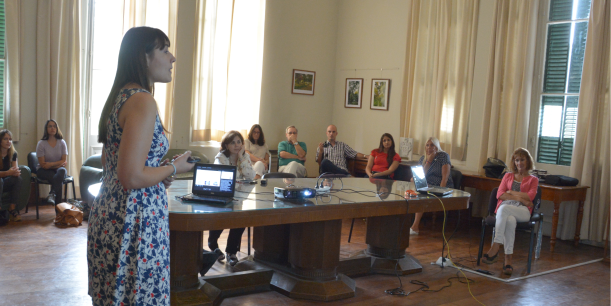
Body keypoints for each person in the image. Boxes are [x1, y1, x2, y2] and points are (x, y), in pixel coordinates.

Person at [87, 27, 194, 306]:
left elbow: (110, 163)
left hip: (111, 214)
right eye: (165, 50)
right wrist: (173, 169)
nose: (172, 58)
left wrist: (156, 174)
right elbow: (131, 176)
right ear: (144, 57)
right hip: (135, 220)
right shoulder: (143, 101)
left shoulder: (120, 96)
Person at [482, 148, 538, 276]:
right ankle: (508, 261)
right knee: (510, 221)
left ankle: (496, 245)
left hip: (523, 211)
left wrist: (511, 192)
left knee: (504, 208)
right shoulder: (507, 176)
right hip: (508, 209)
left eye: (522, 159)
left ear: (527, 161)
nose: (519, 163)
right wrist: (520, 198)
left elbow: (530, 197)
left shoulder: (533, 180)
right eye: (517, 160)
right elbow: (500, 194)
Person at [209, 130, 260, 266]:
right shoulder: (220, 157)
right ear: (226, 145)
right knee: (223, 218)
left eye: (239, 142)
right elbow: (225, 177)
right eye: (233, 142)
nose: (237, 145)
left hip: (240, 196)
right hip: (222, 195)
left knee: (241, 219)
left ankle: (231, 251)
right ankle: (213, 244)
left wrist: (242, 158)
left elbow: (250, 176)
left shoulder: (245, 156)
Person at [410, 137, 454, 235]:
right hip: (427, 186)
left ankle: (415, 226)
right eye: (427, 145)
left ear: (437, 146)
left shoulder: (443, 156)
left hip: (441, 186)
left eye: (432, 145)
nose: (429, 147)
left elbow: (445, 178)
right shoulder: (423, 158)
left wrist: (440, 193)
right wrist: (428, 161)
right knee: (411, 191)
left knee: (421, 197)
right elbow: (419, 177)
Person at [36, 119, 68, 205]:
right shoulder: (41, 143)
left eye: (54, 126)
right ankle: (58, 213)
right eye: (50, 126)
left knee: (62, 171)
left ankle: (52, 194)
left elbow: (64, 161)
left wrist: (50, 164)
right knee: (58, 179)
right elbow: (43, 164)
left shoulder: (62, 142)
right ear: (46, 129)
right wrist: (58, 164)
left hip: (57, 170)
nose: (52, 128)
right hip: (43, 171)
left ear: (57, 129)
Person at [0, 130, 22, 222]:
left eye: (10, 139)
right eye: (5, 139)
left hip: (5, 182)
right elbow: (10, 172)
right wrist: (8, 173)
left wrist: (15, 172)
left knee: (18, 179)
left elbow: (14, 170)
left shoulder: (13, 153)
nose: (8, 141)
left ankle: (12, 209)